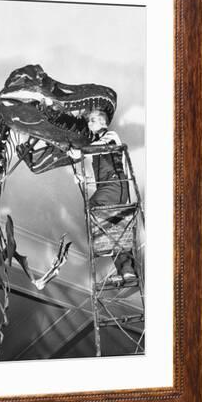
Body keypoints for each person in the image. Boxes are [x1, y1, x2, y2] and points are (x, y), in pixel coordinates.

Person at [68, 109, 136, 284]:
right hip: (109, 185)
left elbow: (98, 148)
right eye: (89, 120)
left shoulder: (110, 135)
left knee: (94, 206)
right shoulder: (97, 145)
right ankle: (127, 270)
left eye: (93, 120)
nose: (89, 123)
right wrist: (83, 178)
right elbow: (98, 163)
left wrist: (80, 152)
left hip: (115, 184)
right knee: (112, 229)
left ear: (103, 123)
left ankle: (117, 258)